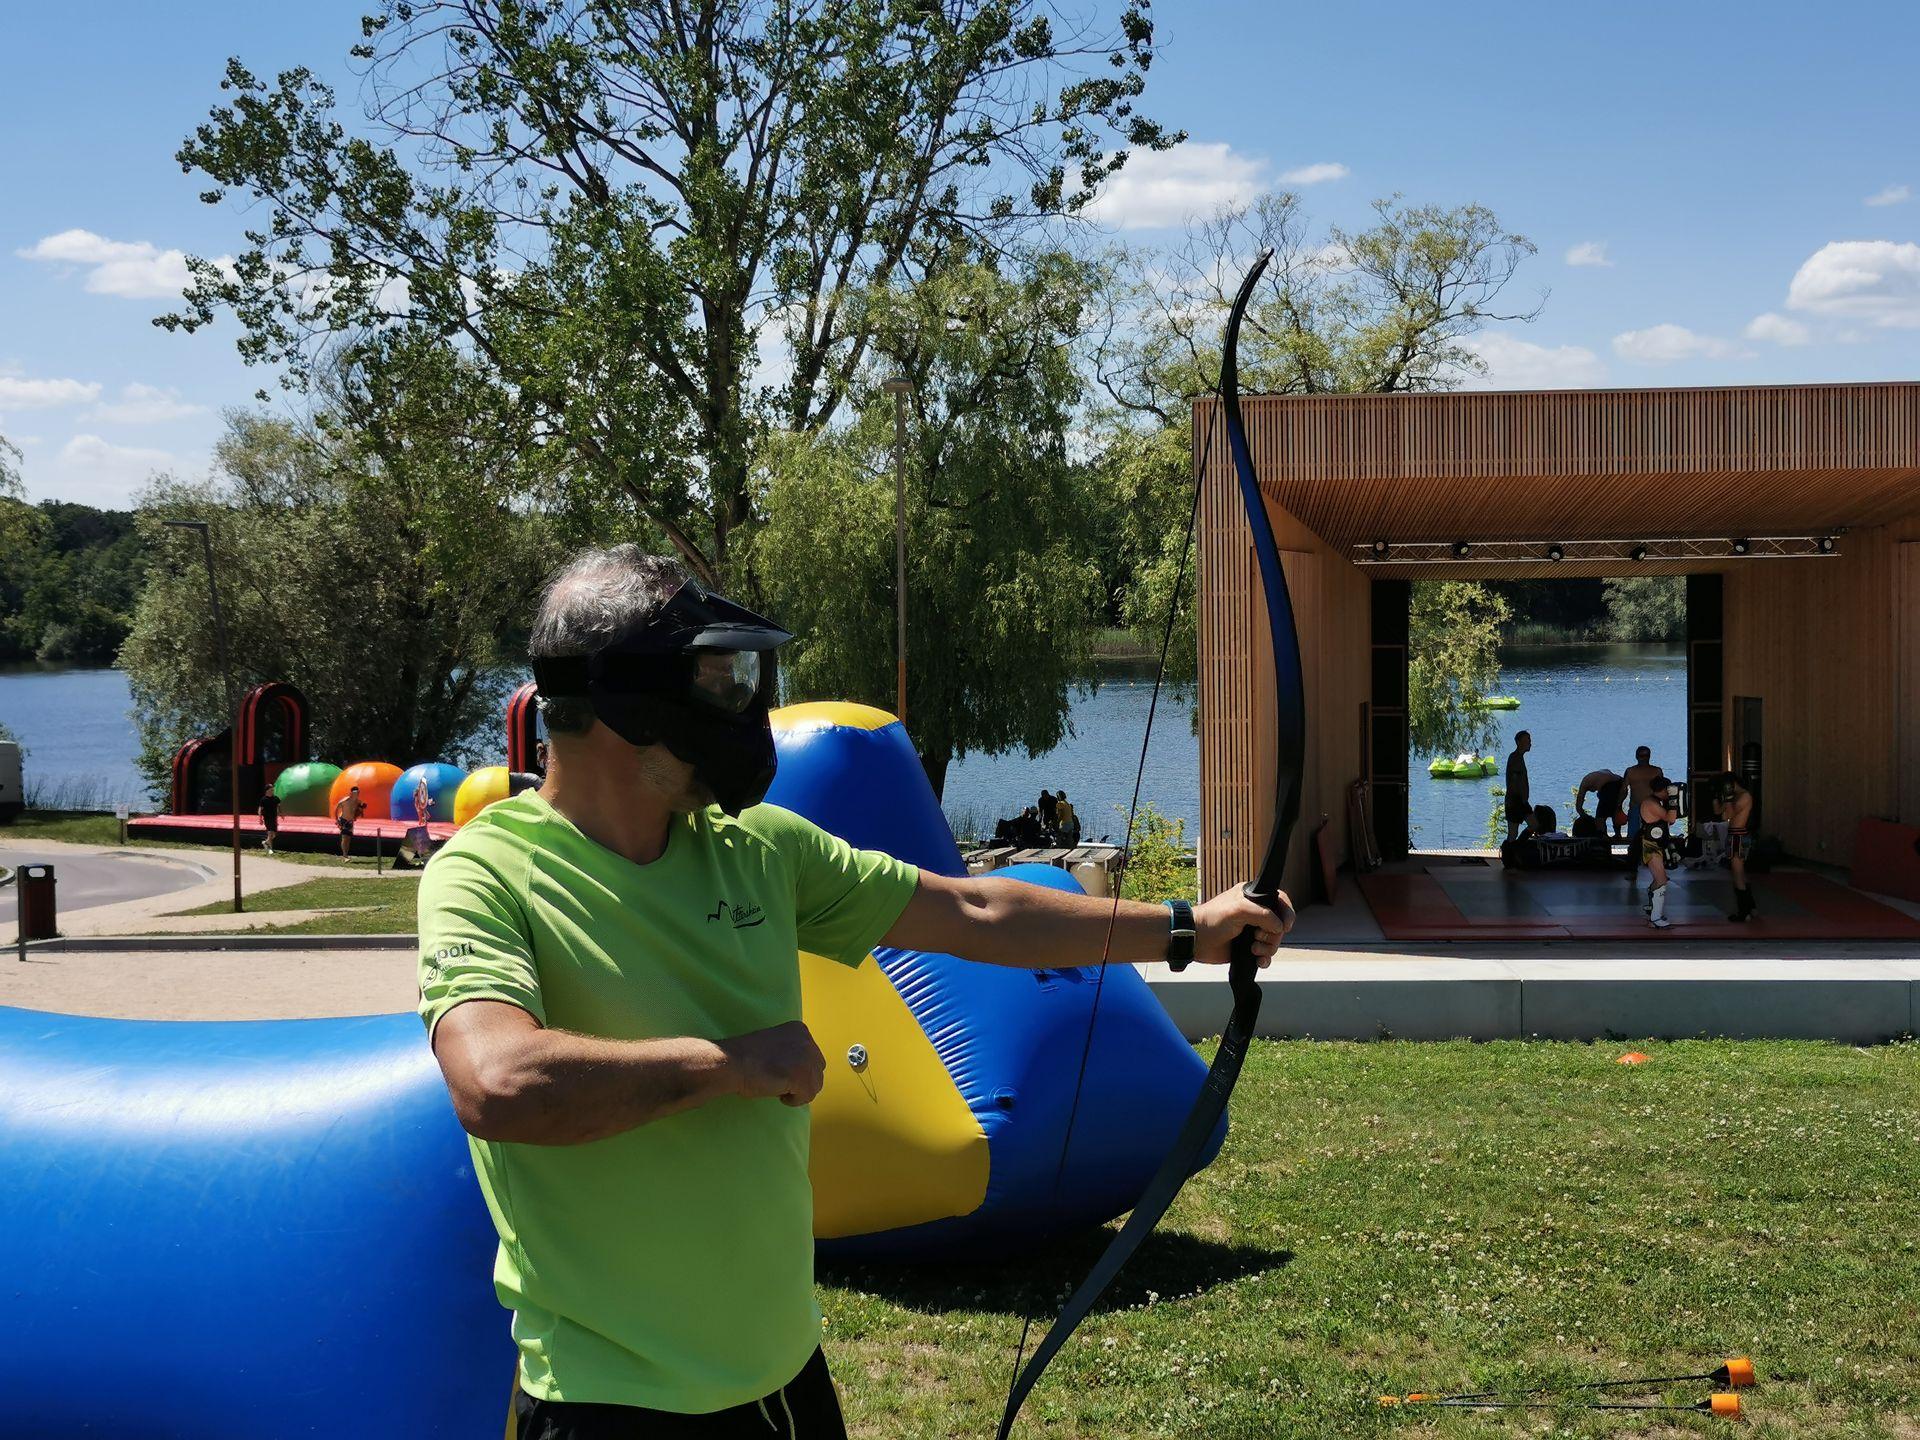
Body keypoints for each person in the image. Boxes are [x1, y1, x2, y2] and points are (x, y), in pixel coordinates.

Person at [416, 547, 1293, 1439]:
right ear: (624, 700)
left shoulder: (758, 847)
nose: (748, 708)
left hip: (786, 1382)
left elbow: (978, 910)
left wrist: (1189, 927)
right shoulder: (487, 873)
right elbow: (498, 1083)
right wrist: (733, 1065)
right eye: (718, 680)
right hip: (606, 1403)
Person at [1713, 772, 1758, 922]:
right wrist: (1717, 797)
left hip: (1739, 835)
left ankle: (1744, 912)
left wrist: (1727, 799)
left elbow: (1728, 815)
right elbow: (1719, 813)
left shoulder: (1745, 796)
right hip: (1734, 834)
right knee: (1740, 873)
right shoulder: (1735, 796)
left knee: (1737, 873)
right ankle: (1751, 907)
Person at [1637, 775, 1678, 928]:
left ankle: (1652, 909)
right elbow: (1671, 818)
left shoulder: (1656, 802)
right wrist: (1673, 799)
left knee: (1658, 879)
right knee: (1661, 880)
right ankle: (1655, 918)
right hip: (1651, 846)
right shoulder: (1651, 803)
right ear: (1664, 790)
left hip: (1657, 844)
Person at [1622, 746, 1660, 860]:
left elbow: (1662, 790)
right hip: (1636, 808)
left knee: (1653, 835)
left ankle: (1651, 859)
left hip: (1651, 808)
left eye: (1646, 756)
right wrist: (1618, 806)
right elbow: (1623, 790)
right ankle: (1634, 859)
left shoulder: (1656, 771)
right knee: (1633, 837)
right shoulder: (1631, 771)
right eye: (1642, 756)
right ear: (1637, 757)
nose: (1644, 758)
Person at [1575, 768, 1628, 838]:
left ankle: (1603, 837)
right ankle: (1617, 834)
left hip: (1612, 786)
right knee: (1616, 811)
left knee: (1600, 817)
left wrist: (1582, 814)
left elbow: (1580, 799)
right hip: (1622, 783)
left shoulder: (1585, 783)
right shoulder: (1600, 776)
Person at [1503, 731, 1532, 842]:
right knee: (1513, 833)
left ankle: (1517, 847)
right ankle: (1509, 852)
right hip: (1515, 802)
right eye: (1527, 740)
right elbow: (1514, 781)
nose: (1530, 743)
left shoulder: (1519, 757)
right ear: (1519, 742)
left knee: (1533, 825)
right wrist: (1519, 800)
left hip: (1521, 801)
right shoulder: (1514, 757)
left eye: (1530, 740)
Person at [334, 784, 364, 860]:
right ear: (351, 793)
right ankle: (344, 856)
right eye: (355, 793)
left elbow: (360, 813)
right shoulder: (345, 800)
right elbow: (336, 809)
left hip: (350, 822)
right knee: (344, 838)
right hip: (343, 820)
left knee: (348, 839)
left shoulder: (358, 802)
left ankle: (346, 855)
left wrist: (360, 810)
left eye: (357, 793)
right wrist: (337, 820)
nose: (356, 794)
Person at [257, 786, 281, 856]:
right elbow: (260, 810)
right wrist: (260, 819)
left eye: (273, 790)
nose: (272, 791)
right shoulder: (263, 799)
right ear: (267, 791)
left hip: (274, 818)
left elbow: (279, 806)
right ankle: (270, 849)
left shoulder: (276, 798)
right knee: (270, 833)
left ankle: (265, 842)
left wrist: (281, 813)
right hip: (267, 818)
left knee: (274, 835)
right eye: (271, 790)